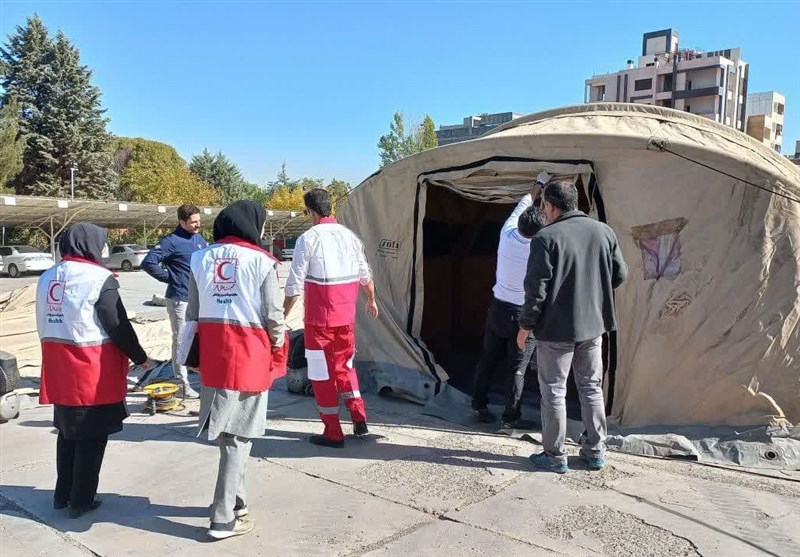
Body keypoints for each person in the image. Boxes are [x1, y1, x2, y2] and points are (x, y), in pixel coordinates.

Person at [36, 223, 156, 519]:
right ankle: (81, 499)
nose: (104, 250)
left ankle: (62, 494)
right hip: (90, 368)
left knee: (67, 433)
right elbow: (117, 324)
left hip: (57, 363)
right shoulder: (98, 278)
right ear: (89, 245)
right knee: (92, 437)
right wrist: (140, 357)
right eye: (102, 244)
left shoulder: (47, 276)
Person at [185, 200, 287, 541]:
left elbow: (193, 313)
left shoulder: (199, 258)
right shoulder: (262, 261)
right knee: (239, 438)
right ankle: (222, 518)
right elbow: (274, 315)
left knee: (228, 434)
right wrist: (277, 346)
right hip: (248, 354)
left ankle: (238, 504)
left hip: (214, 354)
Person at [518, 179, 628, 474]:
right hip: (594, 326)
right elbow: (620, 274)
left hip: (556, 330)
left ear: (549, 206)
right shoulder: (604, 231)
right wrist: (592, 292)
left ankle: (555, 456)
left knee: (553, 390)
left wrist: (526, 325)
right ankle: (595, 452)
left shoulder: (546, 237)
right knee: (591, 387)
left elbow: (535, 290)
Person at [284, 188, 378, 448]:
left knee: (321, 375)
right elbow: (365, 275)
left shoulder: (308, 238)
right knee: (345, 367)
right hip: (346, 319)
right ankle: (360, 420)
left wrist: (282, 314)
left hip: (319, 322)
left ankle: (333, 433)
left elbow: (293, 285)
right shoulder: (350, 237)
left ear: (311, 212)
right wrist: (371, 299)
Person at [472, 172, 550, 428]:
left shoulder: (507, 233)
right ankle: (509, 418)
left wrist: (539, 183)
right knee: (517, 367)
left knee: (487, 358)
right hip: (523, 316)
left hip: (497, 309)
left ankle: (478, 405)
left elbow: (524, 202)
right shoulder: (541, 251)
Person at [142, 204, 207, 398]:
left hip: (199, 299)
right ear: (182, 222)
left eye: (198, 220)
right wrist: (170, 278)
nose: (198, 225)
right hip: (180, 299)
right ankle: (182, 383)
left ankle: (201, 376)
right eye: (193, 222)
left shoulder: (199, 239)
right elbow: (148, 262)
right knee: (180, 341)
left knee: (199, 339)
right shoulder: (171, 241)